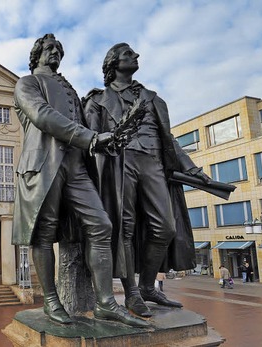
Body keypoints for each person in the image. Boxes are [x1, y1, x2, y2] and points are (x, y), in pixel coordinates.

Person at [12, 34, 147, 328]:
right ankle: (51, 300)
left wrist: (111, 136)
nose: (56, 52)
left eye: (60, 49)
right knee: (43, 234)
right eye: (50, 48)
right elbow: (43, 115)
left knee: (102, 225)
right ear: (36, 54)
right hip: (43, 165)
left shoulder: (70, 88)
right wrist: (91, 138)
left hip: (76, 167)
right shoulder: (27, 83)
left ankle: (106, 303)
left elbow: (88, 123)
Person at [83, 43, 211, 318]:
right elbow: (91, 141)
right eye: (129, 54)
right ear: (113, 62)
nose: (136, 56)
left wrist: (192, 168)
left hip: (153, 162)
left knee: (165, 227)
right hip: (120, 164)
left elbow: (170, 140)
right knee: (124, 228)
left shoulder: (153, 98)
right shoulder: (97, 99)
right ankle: (132, 294)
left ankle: (147, 286)